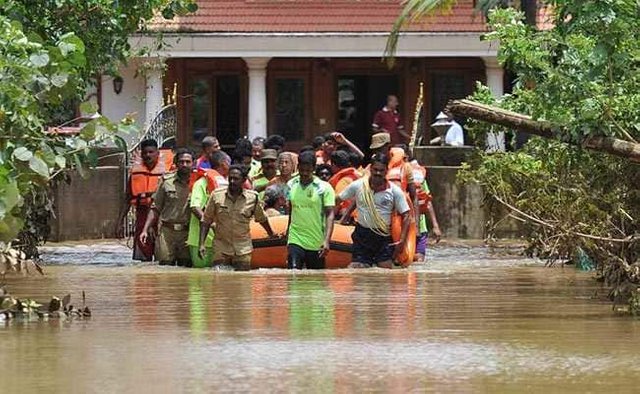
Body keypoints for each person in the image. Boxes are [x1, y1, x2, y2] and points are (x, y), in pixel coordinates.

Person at [335, 153, 411, 269]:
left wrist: (402, 240)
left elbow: (406, 215)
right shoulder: (358, 186)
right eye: (375, 170)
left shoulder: (394, 191)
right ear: (371, 169)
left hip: (383, 237)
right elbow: (337, 200)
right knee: (356, 269)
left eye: (381, 170)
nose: (378, 173)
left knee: (384, 273)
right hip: (362, 235)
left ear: (387, 171)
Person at [199, 165, 278, 271]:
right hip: (221, 248)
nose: (232, 181)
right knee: (219, 282)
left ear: (244, 180)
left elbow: (262, 219)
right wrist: (201, 244)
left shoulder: (252, 198)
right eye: (230, 178)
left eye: (236, 179)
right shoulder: (217, 196)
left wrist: (271, 234)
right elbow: (206, 221)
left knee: (242, 281)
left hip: (243, 249)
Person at [115, 139, 173, 261]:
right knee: (142, 256)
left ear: (157, 153)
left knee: (163, 257)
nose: (148, 155)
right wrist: (120, 222)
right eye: (145, 153)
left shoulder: (169, 174)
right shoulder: (135, 175)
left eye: (151, 152)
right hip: (142, 215)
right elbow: (127, 199)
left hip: (162, 217)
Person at [140, 148, 194, 266]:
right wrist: (145, 230)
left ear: (193, 163)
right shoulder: (166, 181)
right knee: (164, 268)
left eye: (188, 162)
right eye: (181, 162)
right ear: (176, 163)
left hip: (189, 233)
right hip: (167, 232)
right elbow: (155, 207)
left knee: (187, 267)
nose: (184, 165)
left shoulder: (199, 182)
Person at [286, 151, 335, 269]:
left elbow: (330, 214)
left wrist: (327, 240)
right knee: (293, 275)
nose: (304, 174)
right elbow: (292, 209)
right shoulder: (291, 184)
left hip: (316, 240)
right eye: (301, 171)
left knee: (316, 281)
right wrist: (288, 230)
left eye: (308, 171)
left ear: (314, 169)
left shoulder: (324, 188)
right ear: (298, 167)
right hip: (295, 238)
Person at [328, 150, 361, 218]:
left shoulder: (344, 181)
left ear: (333, 165)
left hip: (347, 219)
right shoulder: (356, 176)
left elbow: (336, 204)